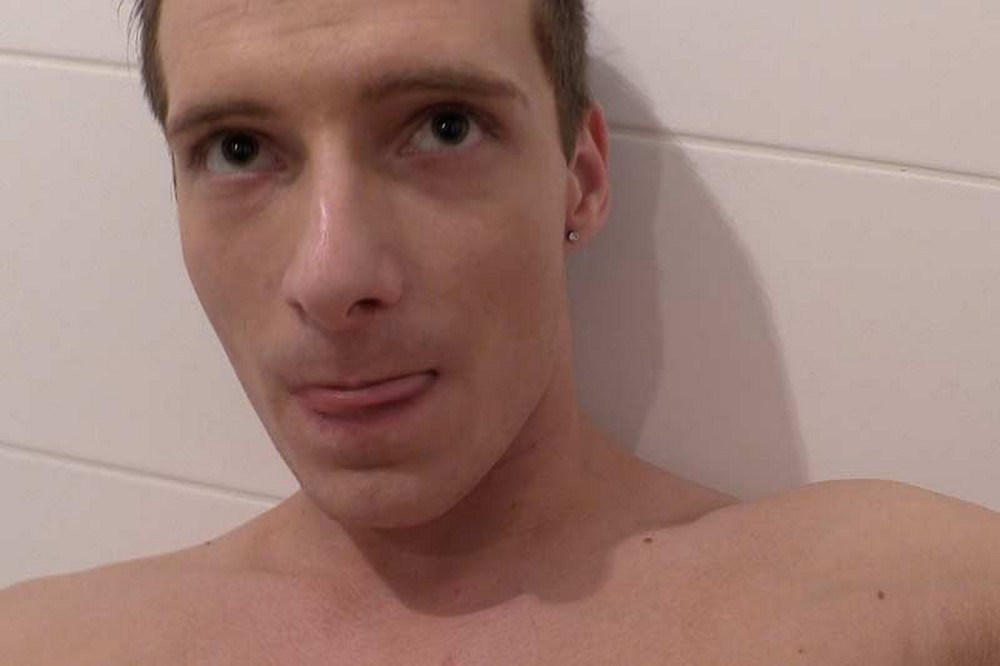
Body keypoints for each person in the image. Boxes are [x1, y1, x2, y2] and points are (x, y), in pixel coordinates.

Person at [2, 0, 999, 662]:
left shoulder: (911, 612)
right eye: (235, 149)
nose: (331, 274)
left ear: (581, 179)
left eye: (443, 125)